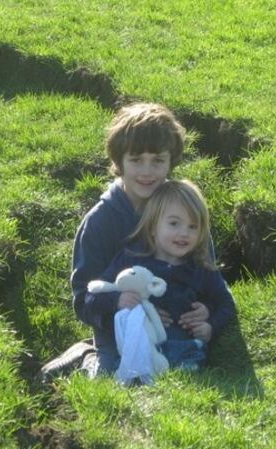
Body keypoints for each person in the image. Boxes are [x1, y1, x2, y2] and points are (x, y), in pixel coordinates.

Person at [68, 103, 212, 378]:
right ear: (119, 161)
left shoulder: (185, 211)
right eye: (136, 160)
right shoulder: (100, 222)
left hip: (178, 332)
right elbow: (82, 298)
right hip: (119, 333)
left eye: (158, 160)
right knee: (116, 378)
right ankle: (88, 355)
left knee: (193, 377)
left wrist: (207, 312)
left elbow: (210, 273)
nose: (147, 171)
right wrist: (120, 302)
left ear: (172, 161)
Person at [89, 180, 237, 372]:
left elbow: (226, 303)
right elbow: (93, 295)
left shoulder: (201, 267)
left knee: (187, 377)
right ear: (152, 226)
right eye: (174, 223)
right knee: (123, 374)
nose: (184, 233)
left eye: (193, 227)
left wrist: (210, 326)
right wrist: (118, 300)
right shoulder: (132, 260)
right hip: (140, 347)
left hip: (187, 350)